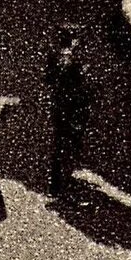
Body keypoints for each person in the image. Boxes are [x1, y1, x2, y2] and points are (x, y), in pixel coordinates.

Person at [44, 30, 91, 196]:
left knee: (61, 146)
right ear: (73, 40)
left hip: (61, 107)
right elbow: (80, 85)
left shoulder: (55, 58)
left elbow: (49, 81)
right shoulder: (73, 61)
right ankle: (65, 184)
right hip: (72, 109)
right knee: (69, 147)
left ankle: (57, 185)